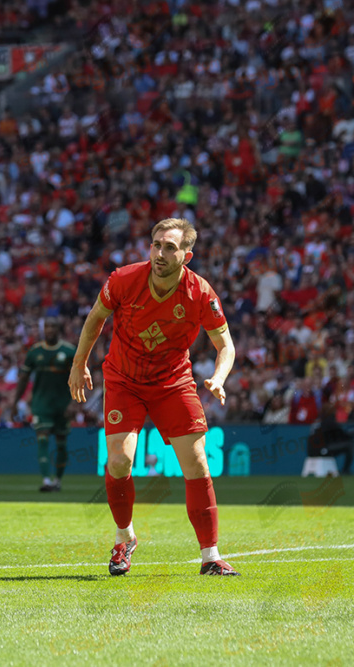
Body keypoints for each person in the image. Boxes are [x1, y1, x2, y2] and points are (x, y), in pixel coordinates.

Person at [68, 218, 240, 577]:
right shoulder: (124, 279)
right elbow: (96, 318)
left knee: (197, 462)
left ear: (187, 256)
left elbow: (226, 346)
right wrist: (79, 363)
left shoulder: (200, 293)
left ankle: (210, 557)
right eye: (156, 245)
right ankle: (124, 537)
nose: (160, 253)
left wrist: (219, 377)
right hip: (124, 380)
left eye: (170, 247)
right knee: (119, 462)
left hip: (173, 382)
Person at [14, 318, 76, 492]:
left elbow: (80, 379)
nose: (50, 330)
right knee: (42, 439)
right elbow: (23, 379)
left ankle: (58, 480)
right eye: (47, 326)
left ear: (59, 329)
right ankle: (47, 480)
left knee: (61, 444)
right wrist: (15, 402)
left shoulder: (69, 351)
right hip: (41, 404)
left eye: (53, 326)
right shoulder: (35, 352)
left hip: (63, 405)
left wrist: (75, 402)